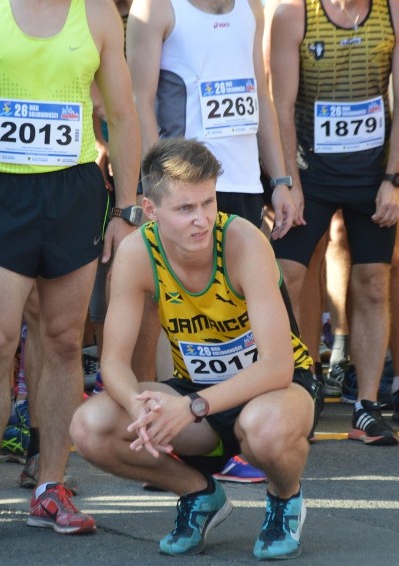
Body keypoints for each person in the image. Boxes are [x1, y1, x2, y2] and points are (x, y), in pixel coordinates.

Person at [0, 0, 140, 543]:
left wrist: (127, 208)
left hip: (71, 191)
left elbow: (120, 114)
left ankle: (51, 487)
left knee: (65, 340)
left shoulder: (96, 13)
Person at [71, 138, 317, 560]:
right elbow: (112, 362)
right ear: (150, 211)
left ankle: (285, 497)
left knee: (264, 427)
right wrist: (138, 408)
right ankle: (199, 495)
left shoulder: (243, 242)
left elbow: (277, 366)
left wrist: (192, 407)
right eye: (186, 209)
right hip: (197, 392)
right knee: (89, 426)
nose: (202, 220)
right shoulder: (137, 253)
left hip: (275, 390)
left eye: (208, 202)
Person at [127, 0, 298, 483]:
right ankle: (163, 432)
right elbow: (139, 99)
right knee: (162, 310)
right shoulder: (157, 8)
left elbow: (258, 92)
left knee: (243, 317)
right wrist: (149, 187)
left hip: (241, 184)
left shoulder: (251, 9)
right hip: (184, 190)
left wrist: (279, 177)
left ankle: (245, 435)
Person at [267, 0, 399, 445]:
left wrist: (394, 180)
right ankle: (299, 388)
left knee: (374, 279)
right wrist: (287, 182)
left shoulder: (396, 10)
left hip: (372, 173)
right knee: (289, 277)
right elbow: (282, 105)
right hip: (311, 173)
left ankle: (367, 406)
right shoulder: (294, 13)